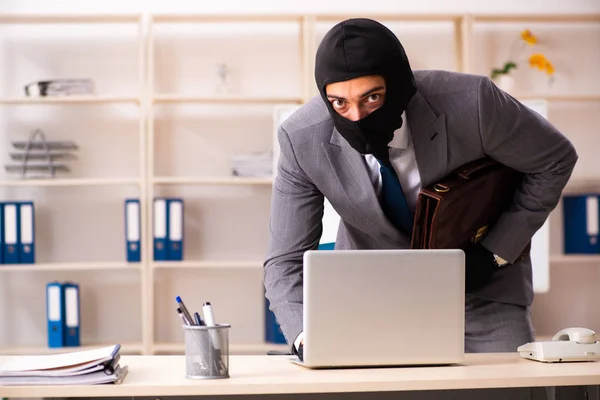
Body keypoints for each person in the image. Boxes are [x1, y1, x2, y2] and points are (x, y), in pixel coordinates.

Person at [263, 18, 577, 360]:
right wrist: (309, 336)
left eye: (372, 98)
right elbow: (284, 260)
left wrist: (494, 252)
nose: (356, 117)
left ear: (397, 85)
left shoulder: (473, 103)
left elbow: (554, 159)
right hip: (370, 299)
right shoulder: (301, 138)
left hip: (483, 291)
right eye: (339, 103)